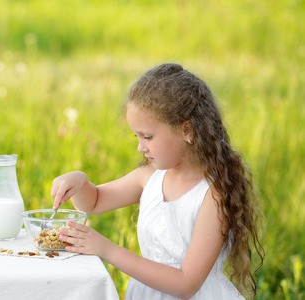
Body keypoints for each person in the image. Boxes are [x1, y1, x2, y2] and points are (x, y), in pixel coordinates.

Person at [50, 63, 264, 299]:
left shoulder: (212, 196)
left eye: (148, 137)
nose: (140, 147)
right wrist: (80, 182)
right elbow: (94, 202)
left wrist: (106, 249)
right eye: (137, 136)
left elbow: (186, 284)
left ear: (187, 130)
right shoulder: (150, 177)